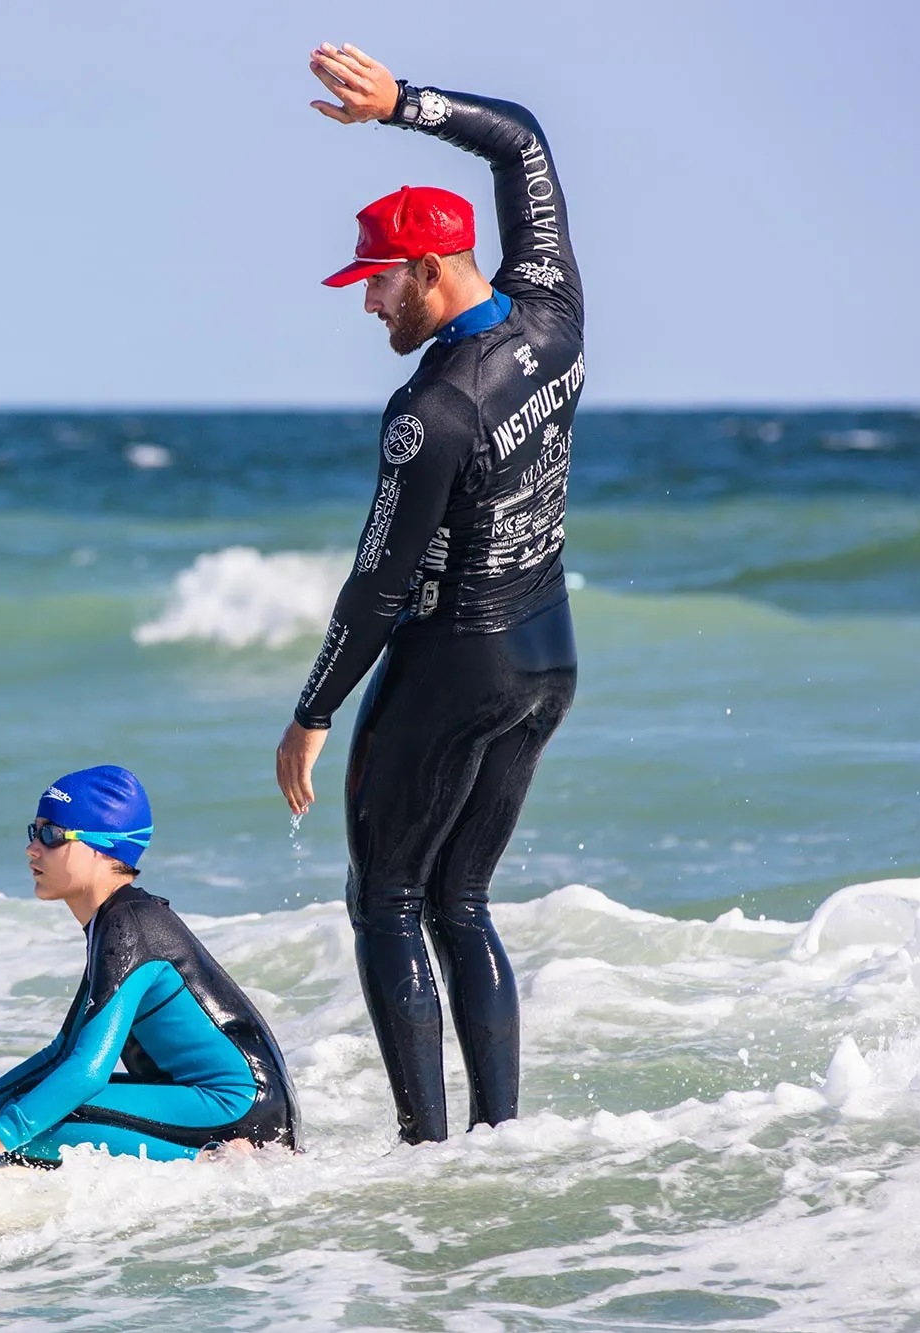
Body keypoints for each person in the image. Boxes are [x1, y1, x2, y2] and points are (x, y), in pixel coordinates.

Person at [274, 44, 583, 1144]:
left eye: (375, 281)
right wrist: (404, 107)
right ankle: (498, 1142)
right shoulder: (552, 317)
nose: (367, 306)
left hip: (456, 660)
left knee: (387, 901)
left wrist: (311, 710)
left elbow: (378, 581)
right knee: (461, 901)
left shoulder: (430, 410)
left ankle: (422, 1151)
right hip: (546, 657)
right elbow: (521, 140)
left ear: (431, 269)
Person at [0, 765, 299, 1168]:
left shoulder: (130, 927)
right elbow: (63, 1053)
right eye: (34, 831)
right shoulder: (117, 923)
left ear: (101, 847)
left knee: (34, 1134)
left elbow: (88, 1069)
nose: (32, 848)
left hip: (238, 1111)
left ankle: (216, 1161)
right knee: (30, 1114)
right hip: (227, 1104)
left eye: (51, 835)